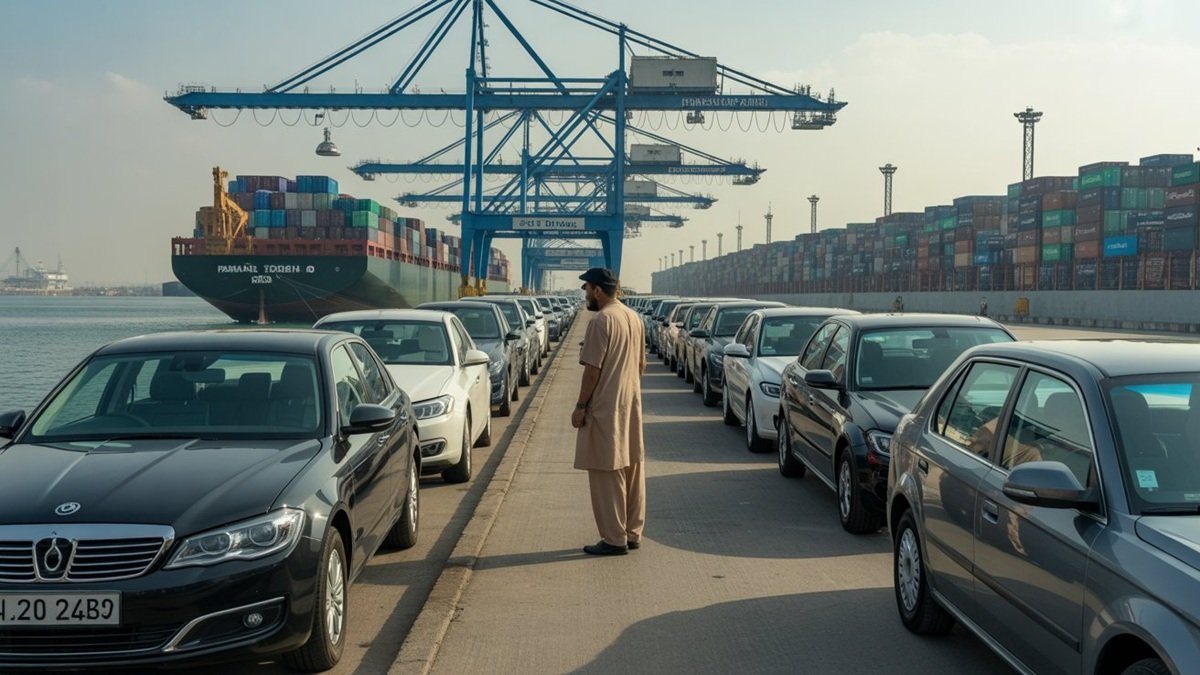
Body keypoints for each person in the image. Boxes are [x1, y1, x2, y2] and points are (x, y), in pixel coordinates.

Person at [571, 267, 646, 556]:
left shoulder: (601, 321)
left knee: (606, 471)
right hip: (631, 404)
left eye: (586, 288)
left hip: (605, 407)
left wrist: (580, 406)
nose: (585, 294)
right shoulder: (633, 318)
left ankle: (614, 539)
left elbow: (592, 369)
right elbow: (641, 366)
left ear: (598, 291)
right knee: (632, 467)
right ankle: (632, 532)